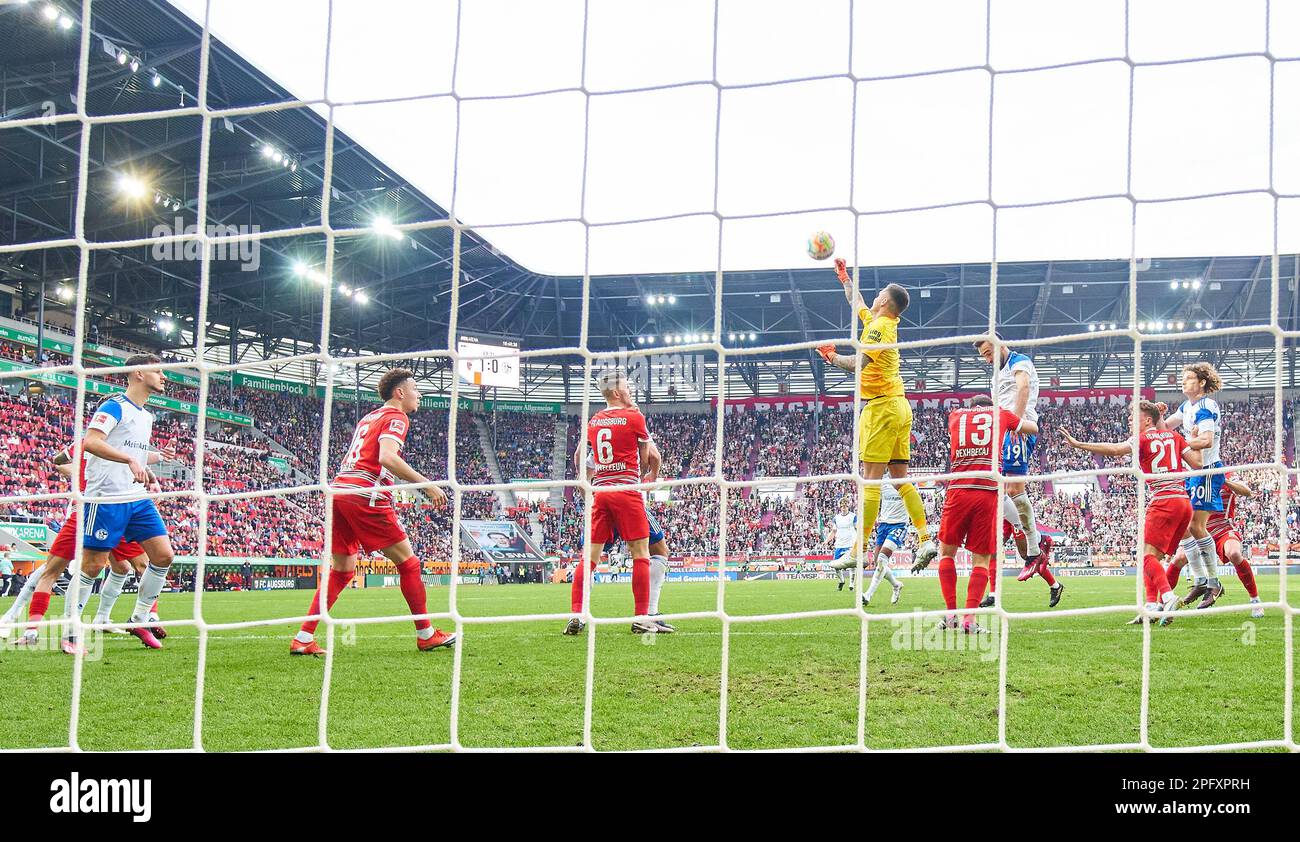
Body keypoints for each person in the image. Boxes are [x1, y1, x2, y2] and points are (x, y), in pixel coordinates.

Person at [290, 368, 456, 656]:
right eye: (415, 389)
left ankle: (303, 637)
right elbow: (386, 457)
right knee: (409, 563)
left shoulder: (369, 417)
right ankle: (426, 634)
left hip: (339, 490)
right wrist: (427, 485)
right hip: (364, 493)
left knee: (342, 570)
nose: (419, 395)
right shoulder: (396, 416)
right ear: (400, 392)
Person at [817, 259, 938, 573]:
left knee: (868, 482)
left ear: (885, 301)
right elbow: (856, 300)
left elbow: (858, 364)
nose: (872, 297)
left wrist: (831, 357)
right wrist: (844, 277)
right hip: (900, 405)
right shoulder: (881, 323)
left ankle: (858, 551)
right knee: (900, 480)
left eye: (878, 295)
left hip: (881, 408)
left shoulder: (879, 328)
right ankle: (925, 539)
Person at [65, 354, 177, 653]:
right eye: (158, 371)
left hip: (136, 498)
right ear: (139, 373)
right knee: (93, 566)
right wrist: (128, 459)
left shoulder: (147, 415)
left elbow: (134, 452)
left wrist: (147, 471)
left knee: (163, 556)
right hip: (107, 498)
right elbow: (90, 441)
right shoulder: (114, 405)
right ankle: (70, 631)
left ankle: (139, 619)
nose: (164, 377)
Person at [1059, 401, 1204, 626]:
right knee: (1153, 558)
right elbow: (1197, 463)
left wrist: (1079, 444)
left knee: (1146, 558)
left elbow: (1116, 450)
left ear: (1147, 420)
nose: (1128, 420)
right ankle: (1150, 607)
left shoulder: (1143, 438)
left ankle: (1167, 597)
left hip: (1163, 501)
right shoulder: (1175, 438)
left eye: (1133, 416)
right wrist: (1195, 438)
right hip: (1184, 503)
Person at [915, 396, 1037, 634]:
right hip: (988, 492)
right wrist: (1019, 421)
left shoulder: (955, 416)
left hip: (958, 490)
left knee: (946, 554)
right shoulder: (1000, 413)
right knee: (980, 559)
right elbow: (1033, 428)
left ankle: (951, 615)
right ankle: (969, 620)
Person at [565, 368, 663, 635]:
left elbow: (578, 456)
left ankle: (577, 614)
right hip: (627, 491)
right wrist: (646, 475)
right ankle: (642, 617)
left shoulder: (594, 421)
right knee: (641, 553)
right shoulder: (634, 416)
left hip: (600, 492)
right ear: (618, 392)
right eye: (627, 387)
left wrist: (585, 482)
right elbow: (647, 457)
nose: (630, 391)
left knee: (590, 558)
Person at [972, 338, 1057, 593]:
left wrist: (1017, 422)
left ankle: (1034, 548)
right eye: (984, 356)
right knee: (1000, 490)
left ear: (1000, 346)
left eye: (989, 353)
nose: (987, 359)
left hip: (1016, 429)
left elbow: (1023, 388)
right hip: (1004, 432)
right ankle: (1037, 543)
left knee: (1014, 490)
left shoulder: (1020, 362)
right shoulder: (998, 373)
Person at [1158, 363, 1226, 603]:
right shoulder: (1187, 406)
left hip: (1207, 472)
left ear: (1202, 383)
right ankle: (1199, 580)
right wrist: (1159, 415)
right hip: (1192, 473)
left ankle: (1214, 583)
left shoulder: (1206, 406)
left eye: (1188, 379)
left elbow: (1206, 440)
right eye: (1183, 378)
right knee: (1185, 528)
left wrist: (1184, 440)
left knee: (1197, 527)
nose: (1183, 382)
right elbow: (1164, 429)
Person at [1163, 473, 1263, 616]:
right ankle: (1161, 603)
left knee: (1234, 554)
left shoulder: (1226, 474)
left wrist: (1224, 481)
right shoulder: (1193, 477)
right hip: (1198, 531)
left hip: (1222, 529)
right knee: (1179, 558)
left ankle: (1255, 600)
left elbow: (1247, 491)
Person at [860, 483, 905, 607]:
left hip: (899, 524)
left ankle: (868, 595)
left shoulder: (907, 482)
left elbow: (914, 503)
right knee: (877, 562)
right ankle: (896, 585)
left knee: (882, 559)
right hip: (883, 524)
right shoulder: (883, 481)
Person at [826, 495, 858, 592]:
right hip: (839, 544)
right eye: (842, 506)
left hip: (851, 544)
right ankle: (841, 581)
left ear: (848, 506)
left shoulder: (853, 516)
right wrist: (826, 541)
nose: (844, 508)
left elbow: (857, 528)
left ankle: (851, 584)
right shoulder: (836, 518)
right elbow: (834, 531)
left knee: (852, 565)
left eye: (845, 506)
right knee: (836, 565)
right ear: (840, 507)